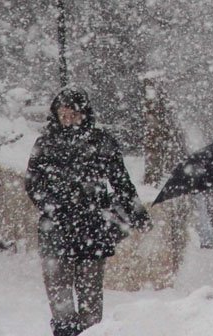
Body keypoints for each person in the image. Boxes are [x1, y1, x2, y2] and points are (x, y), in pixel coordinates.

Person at [25, 87, 151, 336]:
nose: (68, 119)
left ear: (84, 114)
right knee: (58, 291)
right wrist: (54, 207)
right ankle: (64, 331)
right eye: (63, 114)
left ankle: (90, 331)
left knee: (90, 293)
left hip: (91, 226)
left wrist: (138, 214)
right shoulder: (46, 143)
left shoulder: (101, 142)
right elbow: (33, 184)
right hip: (56, 228)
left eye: (73, 114)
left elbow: (121, 183)